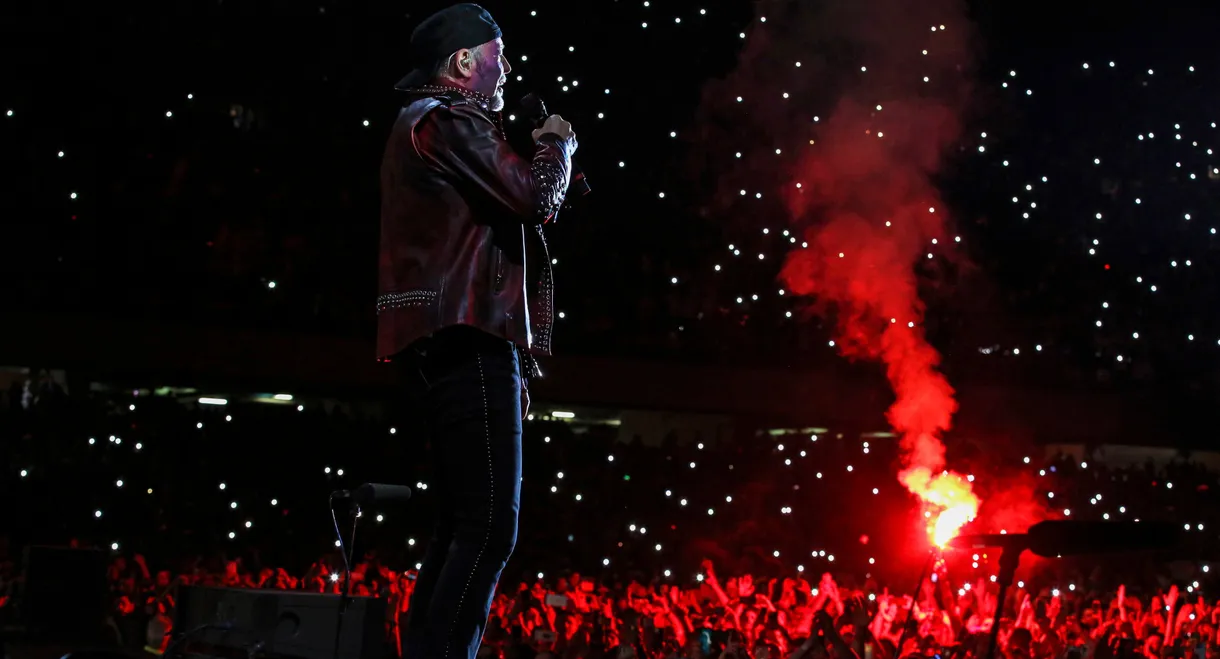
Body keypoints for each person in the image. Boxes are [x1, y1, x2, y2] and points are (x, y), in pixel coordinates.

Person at [377, 4, 578, 659]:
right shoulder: (450, 118)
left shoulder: (420, 123)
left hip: (439, 335)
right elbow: (533, 197)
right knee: (489, 525)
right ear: (464, 61)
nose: (509, 66)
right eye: (499, 52)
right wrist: (557, 144)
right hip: (467, 334)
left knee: (460, 523)